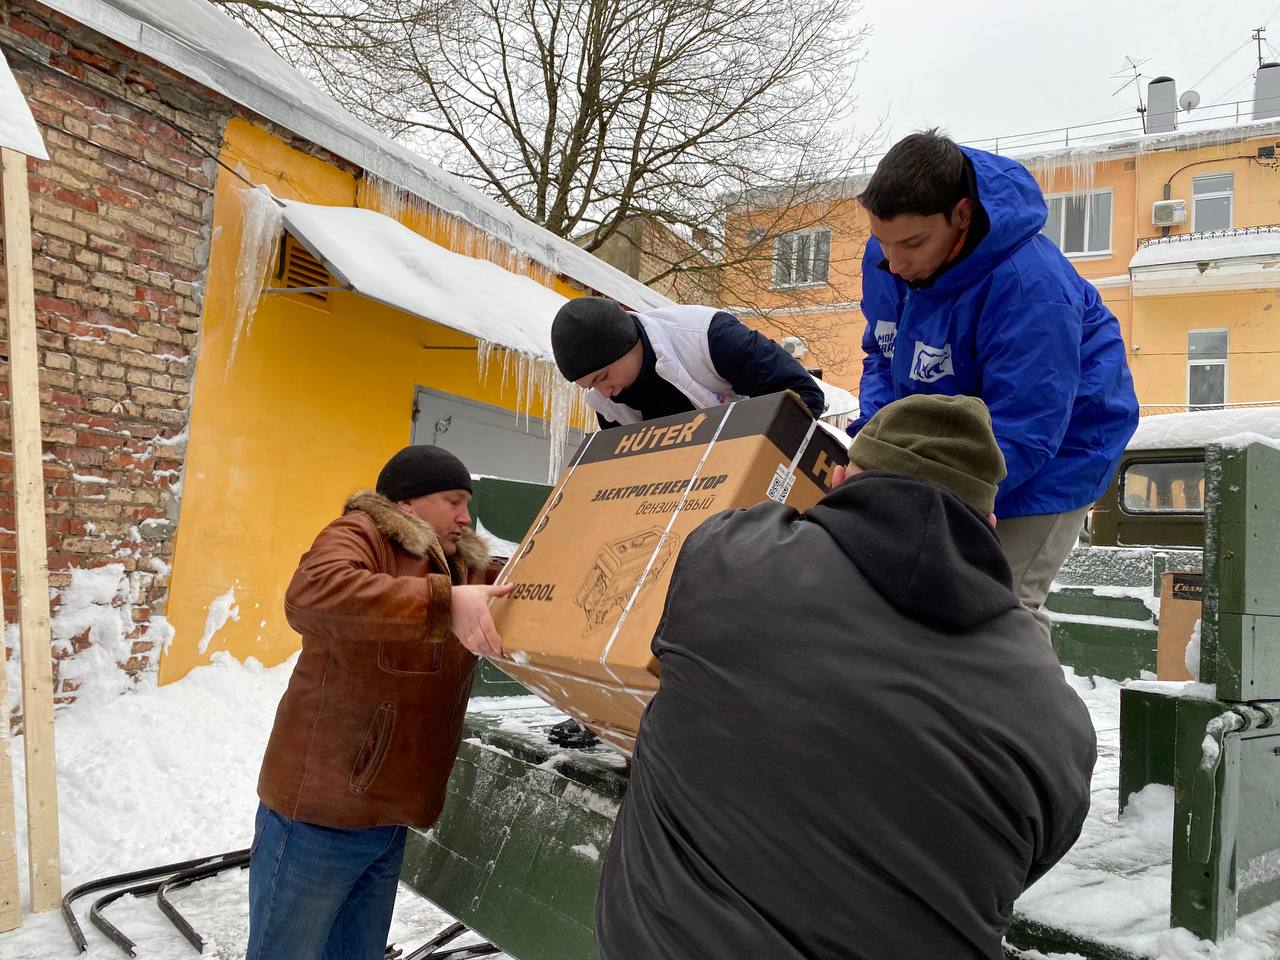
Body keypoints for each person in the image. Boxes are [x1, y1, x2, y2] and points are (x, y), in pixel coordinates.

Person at [596, 394, 1097, 960]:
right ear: (989, 522)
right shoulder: (1060, 717)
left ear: (835, 478)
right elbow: (1023, 865)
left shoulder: (726, 554)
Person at [853, 130, 1139, 639]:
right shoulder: (890, 259)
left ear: (961, 215)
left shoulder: (1031, 287)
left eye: (912, 244)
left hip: (1058, 448)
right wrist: (873, 449)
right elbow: (882, 354)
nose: (894, 264)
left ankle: (1034, 719)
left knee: (998, 606)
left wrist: (959, 497)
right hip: (964, 429)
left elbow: (1028, 425)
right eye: (882, 242)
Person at [246, 445, 513, 960]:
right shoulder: (361, 533)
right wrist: (440, 602)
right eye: (453, 501)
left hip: (389, 809)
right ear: (408, 503)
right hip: (321, 809)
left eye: (467, 504)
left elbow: (521, 588)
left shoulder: (461, 564)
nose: (465, 516)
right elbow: (314, 593)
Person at [551, 296, 826, 430]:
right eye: (588, 387)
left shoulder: (711, 337)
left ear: (625, 345)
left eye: (602, 377)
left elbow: (803, 395)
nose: (603, 392)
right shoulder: (608, 405)